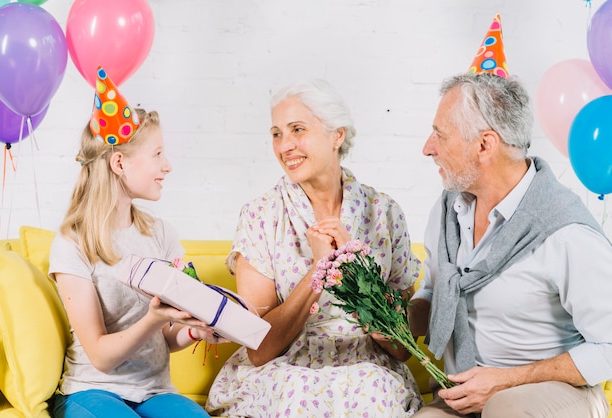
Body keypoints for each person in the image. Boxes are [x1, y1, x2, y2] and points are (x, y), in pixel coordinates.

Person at [206, 79, 423, 416]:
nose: (284, 145)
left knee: (374, 391)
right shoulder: (260, 215)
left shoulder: (383, 212)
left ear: (337, 135)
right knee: (296, 394)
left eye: (297, 130)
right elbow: (260, 351)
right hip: (284, 368)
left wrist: (355, 272)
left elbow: (401, 348)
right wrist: (317, 271)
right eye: (277, 133)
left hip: (368, 367)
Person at [410, 70, 612, 417]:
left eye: (440, 135)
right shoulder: (448, 210)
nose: (428, 148)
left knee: (506, 408)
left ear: (485, 145)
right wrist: (394, 319)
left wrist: (505, 381)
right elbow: (433, 292)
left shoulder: (566, 233)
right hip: (466, 393)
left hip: (557, 394)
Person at [48, 67, 223, 418]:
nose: (168, 165)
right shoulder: (73, 243)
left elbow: (166, 337)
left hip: (155, 392)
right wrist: (154, 319)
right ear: (119, 163)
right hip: (92, 390)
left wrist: (193, 332)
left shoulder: (161, 234)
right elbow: (99, 355)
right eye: (157, 154)